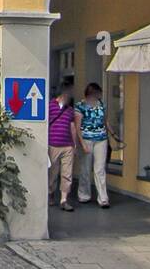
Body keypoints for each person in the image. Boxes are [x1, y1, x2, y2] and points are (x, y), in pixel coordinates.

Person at [75, 82, 116, 208]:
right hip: (86, 139)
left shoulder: (101, 104)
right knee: (85, 169)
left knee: (100, 169)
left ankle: (103, 198)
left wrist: (112, 132)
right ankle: (84, 194)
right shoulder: (80, 106)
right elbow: (77, 126)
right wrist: (82, 144)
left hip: (101, 139)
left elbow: (104, 121)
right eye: (97, 93)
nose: (99, 96)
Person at [47, 81, 82, 211]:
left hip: (67, 145)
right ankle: (50, 194)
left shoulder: (70, 110)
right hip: (53, 144)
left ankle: (64, 200)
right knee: (53, 173)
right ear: (63, 93)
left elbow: (72, 127)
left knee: (67, 174)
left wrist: (74, 145)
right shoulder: (50, 106)